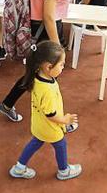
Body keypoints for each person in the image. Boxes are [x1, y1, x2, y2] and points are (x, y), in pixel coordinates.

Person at [8, 41, 82, 180]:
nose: (63, 67)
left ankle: (19, 167)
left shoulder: (37, 76)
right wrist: (65, 120)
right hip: (50, 127)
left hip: (39, 124)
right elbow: (51, 115)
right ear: (48, 67)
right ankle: (63, 170)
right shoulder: (47, 90)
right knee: (61, 145)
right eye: (61, 65)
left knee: (35, 142)